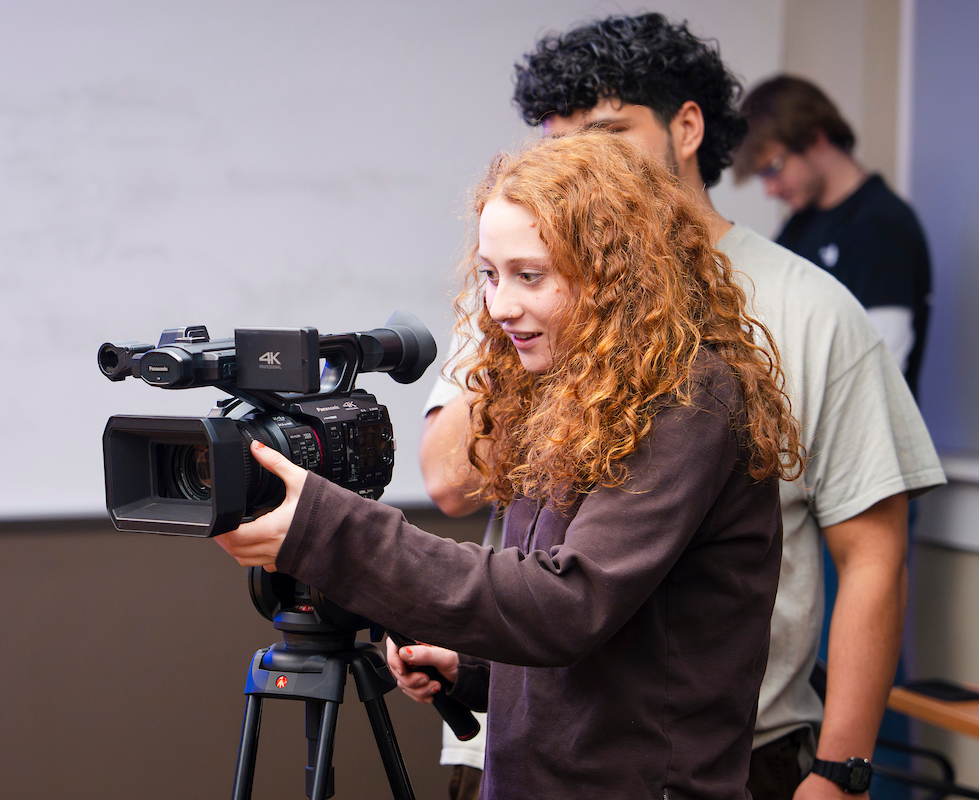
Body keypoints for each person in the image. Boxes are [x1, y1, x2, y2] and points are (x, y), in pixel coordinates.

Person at [417, 13, 944, 800]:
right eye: (559, 146)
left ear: (687, 127)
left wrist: (840, 772)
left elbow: (872, 555)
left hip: (717, 755)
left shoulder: (812, 311)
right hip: (508, 737)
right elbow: (452, 485)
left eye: (606, 133)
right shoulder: (522, 296)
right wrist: (530, 344)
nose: (583, 164)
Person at [217, 130, 803, 799]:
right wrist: (471, 668)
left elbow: (567, 603)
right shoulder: (570, 387)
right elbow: (605, 639)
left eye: (531, 276)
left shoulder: (690, 397)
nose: (499, 306)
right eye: (491, 275)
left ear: (621, 277)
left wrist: (332, 530)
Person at [734, 75, 932, 396]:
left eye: (774, 168)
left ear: (815, 139)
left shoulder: (880, 226)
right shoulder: (798, 226)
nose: (770, 189)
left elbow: (882, 369)